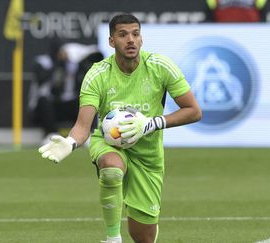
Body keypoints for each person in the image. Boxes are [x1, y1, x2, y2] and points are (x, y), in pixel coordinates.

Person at [38, 13, 202, 243]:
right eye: (123, 35)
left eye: (135, 34)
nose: (131, 40)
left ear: (142, 39)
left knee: (143, 236)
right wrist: (71, 142)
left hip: (148, 157)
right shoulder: (97, 74)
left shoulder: (160, 67)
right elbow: (83, 126)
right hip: (108, 143)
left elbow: (194, 110)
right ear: (111, 41)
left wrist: (151, 123)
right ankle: (112, 238)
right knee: (111, 168)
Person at [28, 39, 103, 139]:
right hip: (55, 102)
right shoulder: (45, 63)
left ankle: (89, 133)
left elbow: (96, 56)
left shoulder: (76, 63)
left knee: (89, 100)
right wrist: (58, 64)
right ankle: (51, 134)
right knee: (44, 101)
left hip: (71, 102)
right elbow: (41, 80)